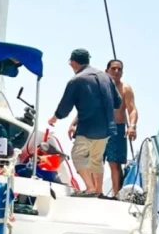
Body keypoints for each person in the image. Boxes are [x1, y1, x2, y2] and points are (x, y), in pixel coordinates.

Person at [48, 48, 121, 193]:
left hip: (87, 128)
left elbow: (64, 107)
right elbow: (117, 102)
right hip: (106, 129)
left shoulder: (76, 80)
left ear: (73, 62)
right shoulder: (106, 77)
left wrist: (54, 118)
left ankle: (90, 188)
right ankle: (98, 191)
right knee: (96, 159)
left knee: (78, 156)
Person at [68, 59, 137, 196]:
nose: (116, 71)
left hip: (117, 128)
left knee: (115, 163)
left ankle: (117, 195)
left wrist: (132, 126)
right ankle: (95, 191)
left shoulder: (125, 89)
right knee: (94, 160)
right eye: (113, 69)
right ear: (107, 71)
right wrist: (74, 123)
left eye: (119, 69)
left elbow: (132, 110)